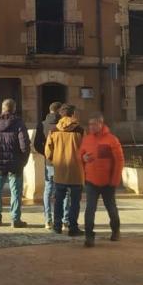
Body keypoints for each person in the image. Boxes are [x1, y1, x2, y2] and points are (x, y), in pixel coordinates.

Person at [0, 98, 31, 227]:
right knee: (15, 191)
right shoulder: (19, 123)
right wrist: (24, 160)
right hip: (15, 163)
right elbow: (25, 145)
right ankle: (15, 219)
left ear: (2, 108)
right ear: (14, 108)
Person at [79, 113, 124, 247]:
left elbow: (119, 160)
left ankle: (115, 231)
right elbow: (79, 154)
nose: (91, 127)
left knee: (111, 207)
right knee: (90, 208)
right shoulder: (86, 139)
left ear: (101, 124)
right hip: (91, 181)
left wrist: (114, 180)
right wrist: (83, 158)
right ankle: (89, 236)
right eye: (89, 124)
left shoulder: (111, 140)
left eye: (94, 124)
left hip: (108, 182)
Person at [45, 104, 84, 236]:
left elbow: (48, 151)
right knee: (74, 202)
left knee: (58, 200)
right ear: (73, 114)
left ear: (60, 115)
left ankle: (57, 226)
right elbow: (86, 150)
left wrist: (55, 160)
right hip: (76, 172)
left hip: (60, 171)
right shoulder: (80, 130)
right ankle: (73, 227)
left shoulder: (54, 130)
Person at [33, 102, 68, 229]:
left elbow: (37, 144)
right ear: (59, 111)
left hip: (49, 162)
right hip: (63, 161)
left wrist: (47, 154)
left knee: (48, 190)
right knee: (64, 191)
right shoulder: (64, 124)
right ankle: (65, 220)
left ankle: (48, 220)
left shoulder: (42, 124)